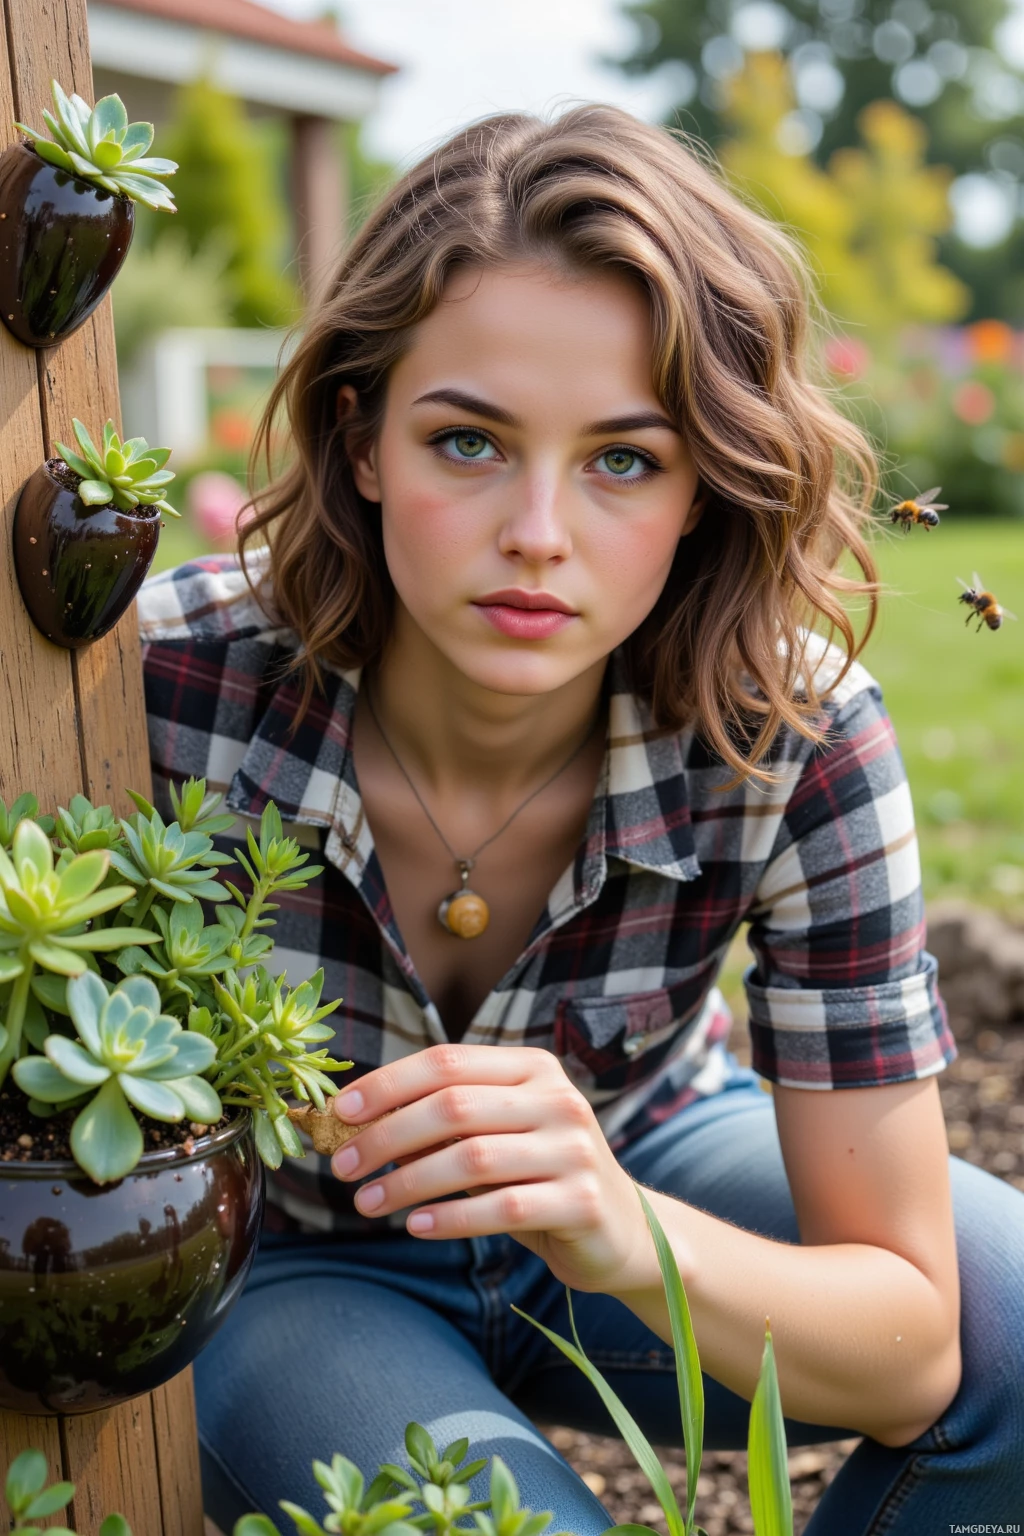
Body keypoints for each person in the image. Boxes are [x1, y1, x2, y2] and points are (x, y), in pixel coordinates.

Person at [137, 105, 1024, 1534]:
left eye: (623, 459)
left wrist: (621, 1229)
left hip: (648, 1161)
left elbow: (918, 1344)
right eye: (470, 442)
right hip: (297, 1268)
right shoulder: (163, 692)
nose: (538, 532)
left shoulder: (791, 736)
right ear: (361, 444)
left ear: (699, 489)